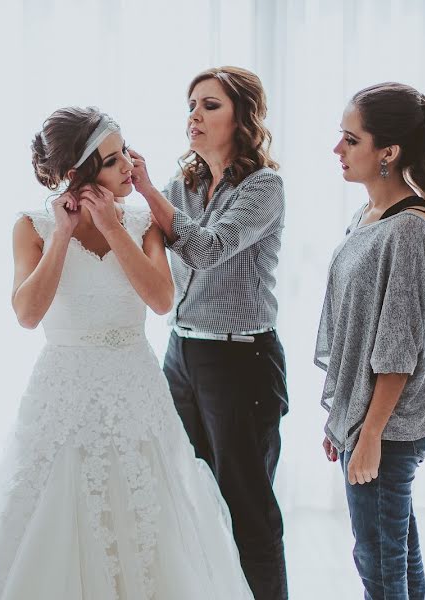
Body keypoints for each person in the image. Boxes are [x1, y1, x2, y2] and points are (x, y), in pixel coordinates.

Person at [0, 106, 253, 599]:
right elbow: (28, 314)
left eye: (125, 154)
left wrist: (114, 229)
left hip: (135, 385)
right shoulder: (32, 226)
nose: (130, 167)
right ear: (78, 174)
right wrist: (64, 235)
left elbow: (161, 300)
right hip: (64, 389)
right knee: (56, 506)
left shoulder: (140, 223)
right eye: (115, 160)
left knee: (147, 509)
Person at [129, 66, 288, 598]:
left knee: (247, 506)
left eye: (210, 105)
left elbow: (208, 248)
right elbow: (145, 240)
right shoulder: (183, 186)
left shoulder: (265, 187)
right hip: (182, 354)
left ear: (242, 116)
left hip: (242, 362)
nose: (194, 115)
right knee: (187, 495)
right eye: (191, 104)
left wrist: (147, 188)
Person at [316, 81, 425, 599]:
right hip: (371, 417)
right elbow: (357, 327)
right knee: (394, 548)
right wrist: (345, 417)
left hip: (392, 425)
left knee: (376, 557)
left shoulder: (410, 230)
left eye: (351, 139)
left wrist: (368, 433)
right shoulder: (369, 215)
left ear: (388, 152)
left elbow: (399, 351)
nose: (338, 150)